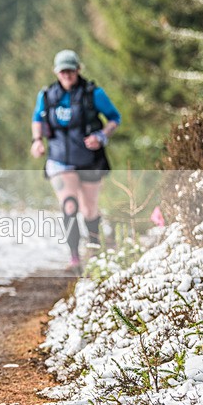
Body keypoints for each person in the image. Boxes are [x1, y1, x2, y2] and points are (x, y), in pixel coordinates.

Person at [30, 49, 121, 272]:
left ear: (78, 69)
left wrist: (102, 136)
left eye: (71, 70)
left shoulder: (94, 93)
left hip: (90, 159)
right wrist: (37, 140)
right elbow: (36, 119)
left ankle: (95, 249)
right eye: (63, 71)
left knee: (89, 210)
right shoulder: (46, 95)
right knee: (69, 205)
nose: (67, 75)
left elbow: (114, 118)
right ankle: (74, 257)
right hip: (59, 160)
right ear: (56, 72)